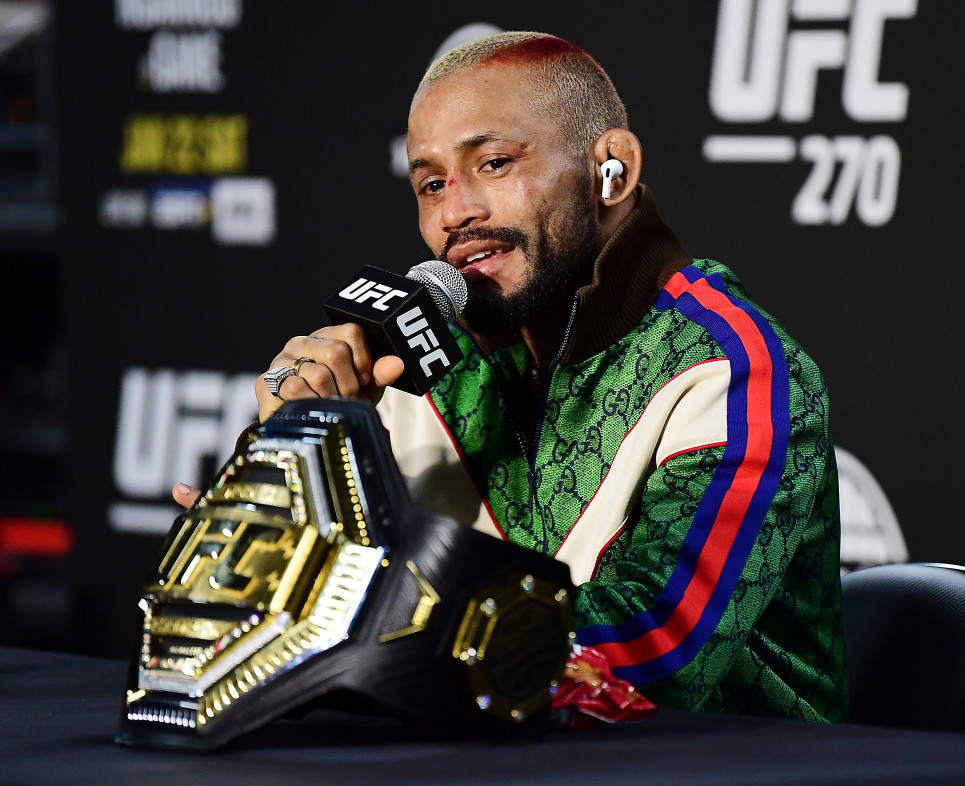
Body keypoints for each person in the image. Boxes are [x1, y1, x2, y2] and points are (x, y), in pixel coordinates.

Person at [175, 31, 847, 722]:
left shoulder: (732, 368)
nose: (454, 213)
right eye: (431, 184)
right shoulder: (409, 369)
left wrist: (356, 606)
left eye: (494, 163)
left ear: (611, 170)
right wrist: (290, 469)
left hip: (733, 768)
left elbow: (652, 650)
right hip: (465, 761)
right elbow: (250, 627)